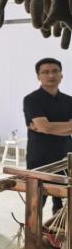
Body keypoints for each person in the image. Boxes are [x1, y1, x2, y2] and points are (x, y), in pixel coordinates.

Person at [24, 57, 72, 214]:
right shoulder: (31, 100)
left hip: (65, 158)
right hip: (40, 159)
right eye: (45, 72)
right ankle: (33, 231)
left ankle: (57, 231)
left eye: (55, 71)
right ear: (38, 76)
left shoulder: (69, 101)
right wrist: (59, 127)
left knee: (64, 204)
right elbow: (44, 127)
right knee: (36, 205)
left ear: (61, 75)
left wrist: (48, 127)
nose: (51, 75)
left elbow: (45, 127)